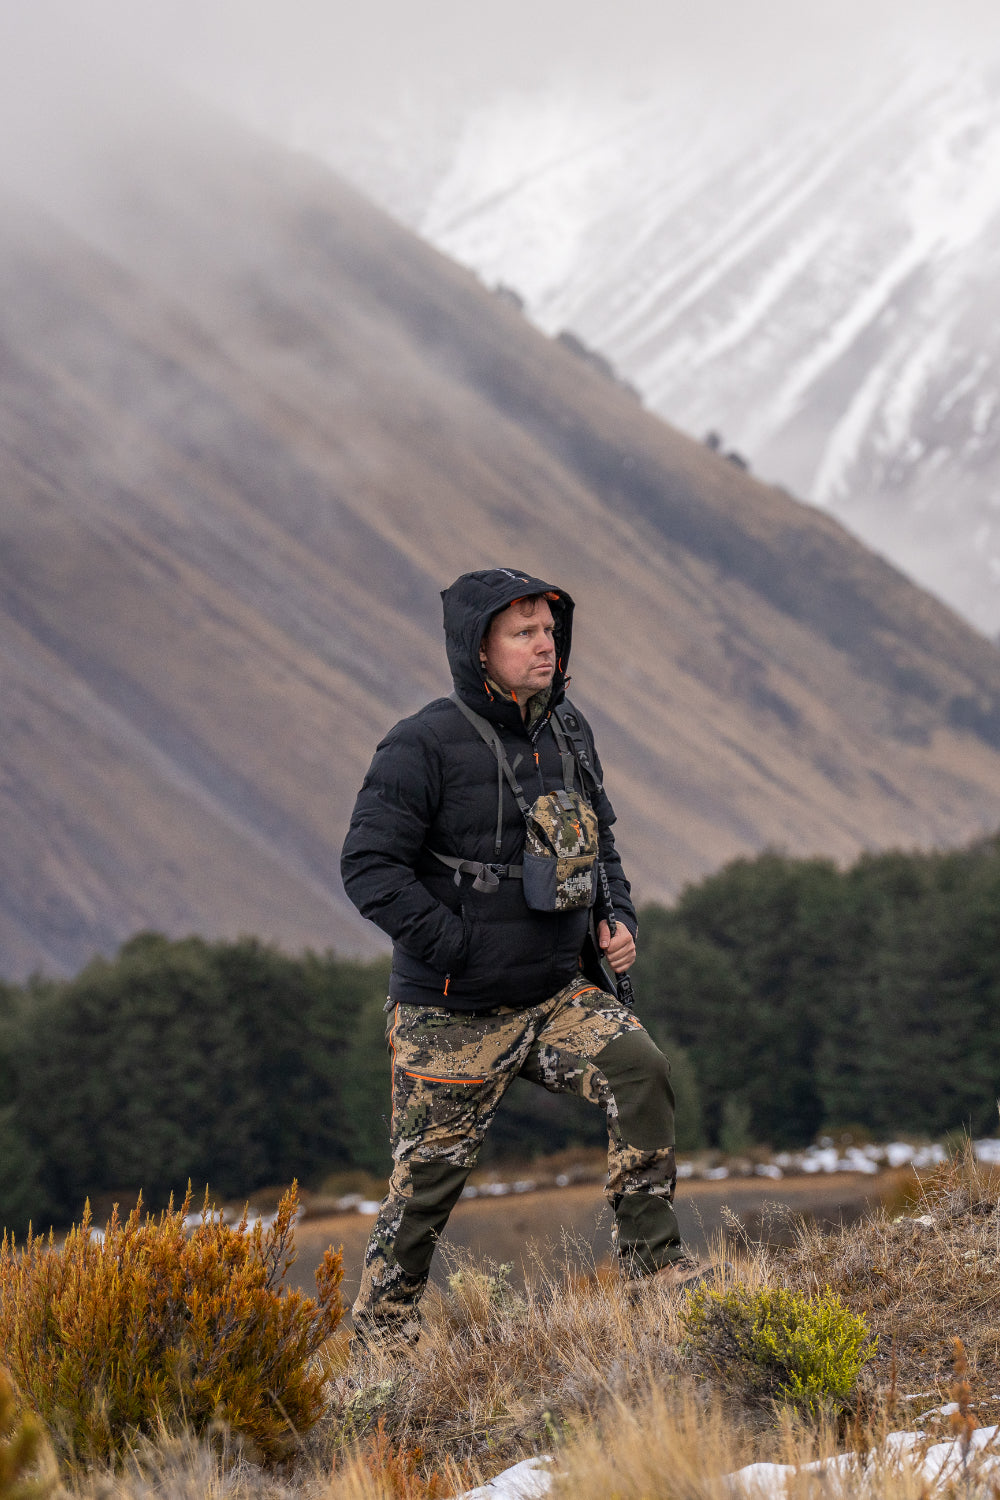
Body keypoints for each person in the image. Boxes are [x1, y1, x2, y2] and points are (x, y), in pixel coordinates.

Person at [341, 567, 701, 1352]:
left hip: (553, 994)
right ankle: (381, 1344)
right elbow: (367, 869)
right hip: (451, 1012)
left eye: (549, 631)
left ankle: (655, 1276)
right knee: (424, 1190)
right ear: (480, 649)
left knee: (640, 1071)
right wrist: (461, 950)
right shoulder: (420, 744)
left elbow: (601, 843)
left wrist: (615, 918)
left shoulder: (569, 731)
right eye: (524, 633)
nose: (545, 645)